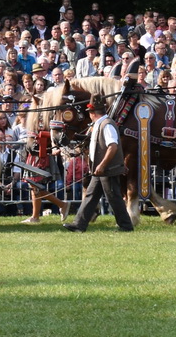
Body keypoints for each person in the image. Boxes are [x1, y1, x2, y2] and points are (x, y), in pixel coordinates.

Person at [64, 92, 133, 232]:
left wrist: (102, 165)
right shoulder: (100, 124)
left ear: (92, 112)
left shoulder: (107, 125)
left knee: (114, 198)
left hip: (107, 169)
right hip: (100, 170)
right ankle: (79, 224)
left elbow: (113, 146)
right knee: (91, 195)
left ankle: (126, 226)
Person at [22, 117, 66, 224]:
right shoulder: (35, 128)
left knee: (37, 188)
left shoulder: (48, 128)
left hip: (41, 160)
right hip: (34, 159)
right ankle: (35, 216)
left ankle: (61, 205)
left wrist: (52, 150)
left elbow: (51, 142)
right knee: (35, 188)